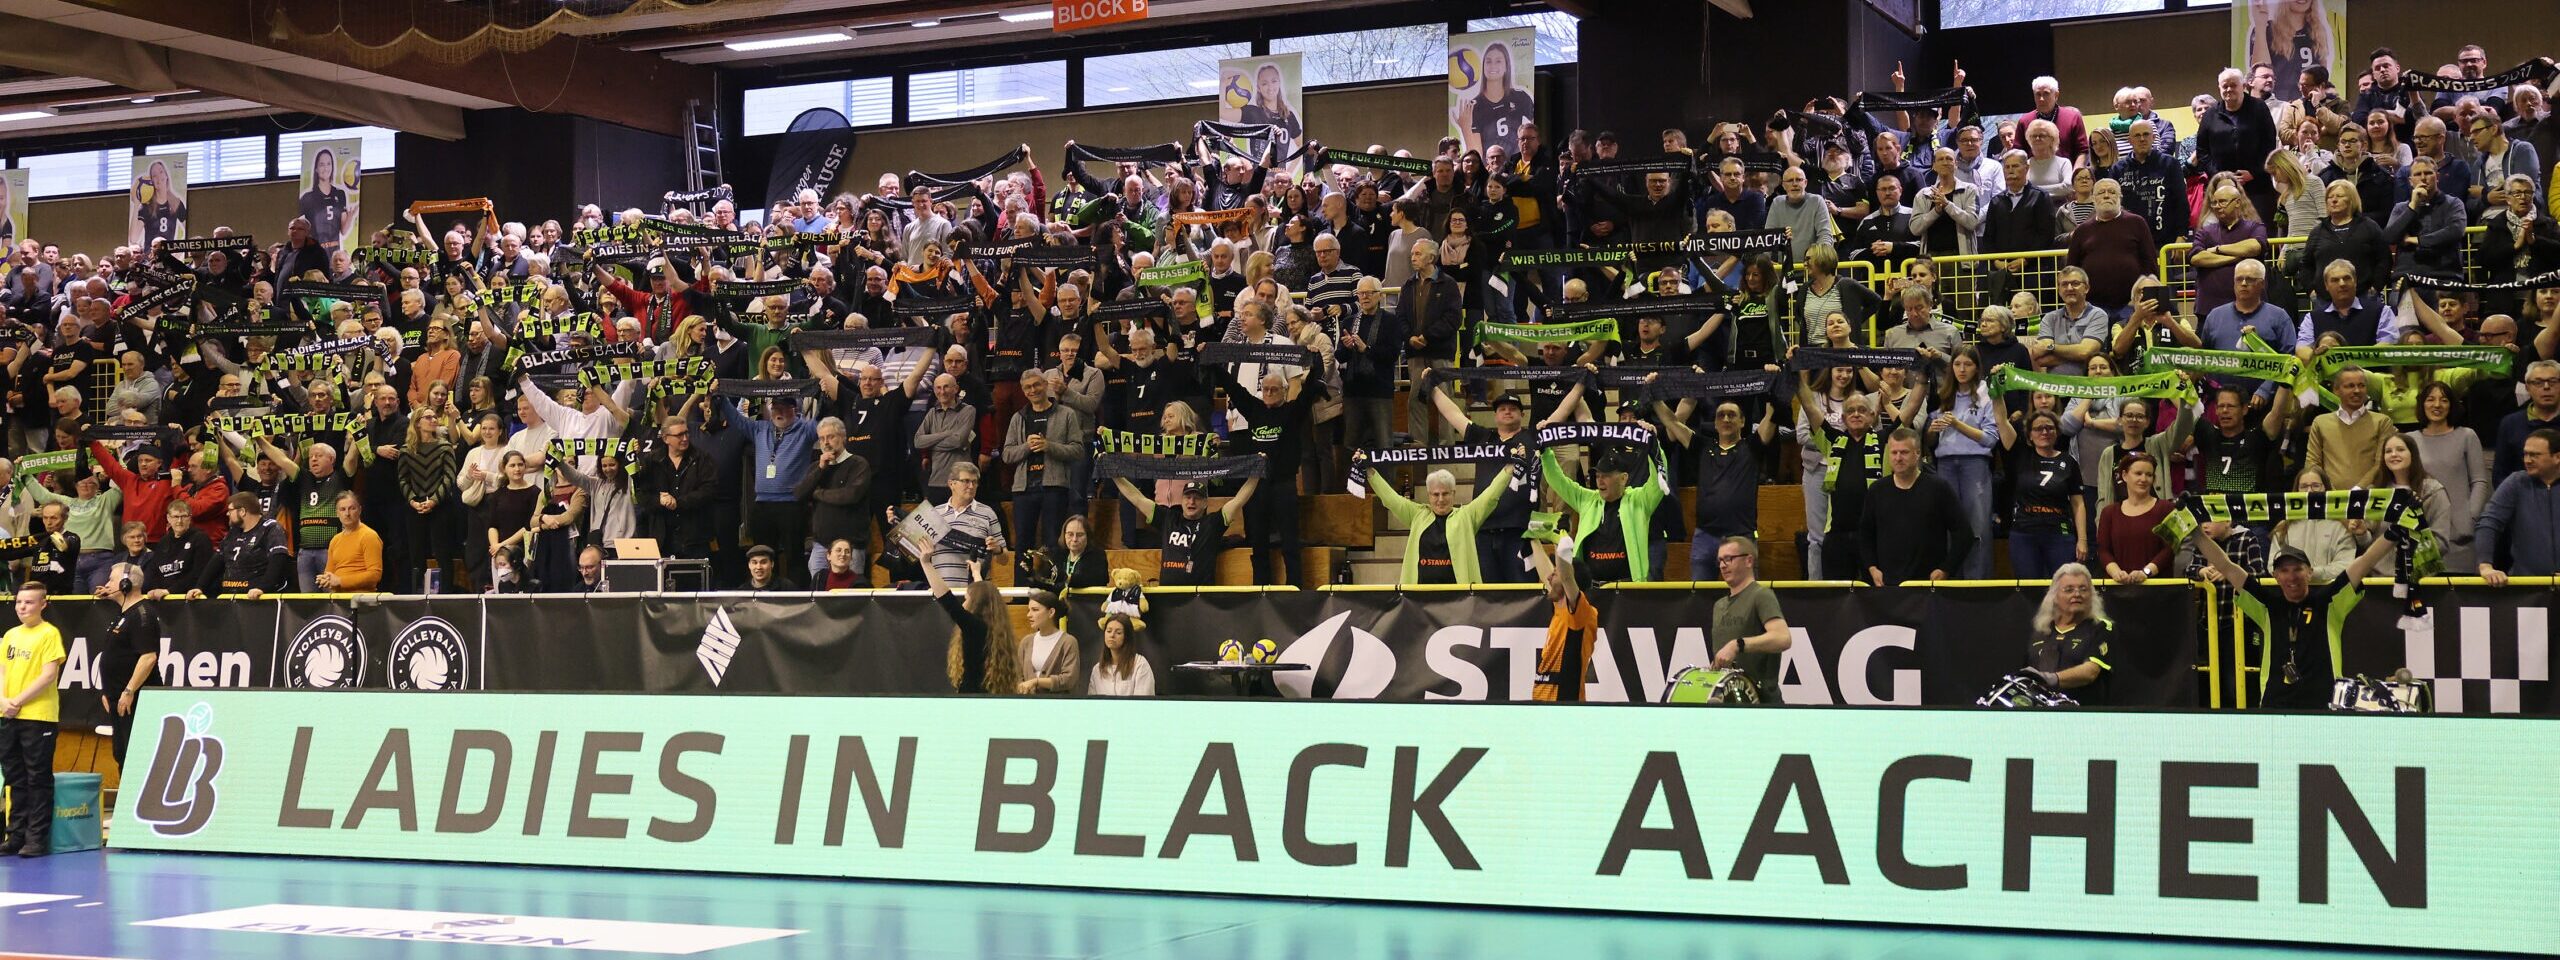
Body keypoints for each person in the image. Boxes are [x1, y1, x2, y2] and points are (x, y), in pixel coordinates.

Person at [2195, 528, 2396, 710]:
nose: (2291, 577)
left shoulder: (2328, 603)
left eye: (2297, 569)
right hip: (2276, 703)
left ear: (2309, 572)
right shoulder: (2267, 605)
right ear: (2275, 575)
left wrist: (2393, 532)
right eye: (2284, 570)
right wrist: (2193, 531)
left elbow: (2365, 561)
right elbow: (2226, 566)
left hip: (2324, 702)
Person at [1361, 458, 1519, 586]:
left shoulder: (1467, 516)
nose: (1440, 499)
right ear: (1429, 495)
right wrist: (1370, 472)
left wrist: (1509, 469)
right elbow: (1391, 499)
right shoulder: (1417, 515)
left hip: (1459, 599)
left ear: (1454, 493)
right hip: (1419, 599)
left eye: (1445, 494)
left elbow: (1490, 496)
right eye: (1435, 495)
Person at [1858, 428, 1974, 586]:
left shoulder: (1939, 488)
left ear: (1917, 453)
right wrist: (1872, 568)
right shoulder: (1877, 490)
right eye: (1894, 453)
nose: (1898, 458)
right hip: (1887, 587)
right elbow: (1865, 534)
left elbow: (1964, 533)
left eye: (1904, 452)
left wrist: (1946, 569)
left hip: (1928, 587)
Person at [1541, 444, 1669, 585]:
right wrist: (1545, 453)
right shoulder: (1587, 500)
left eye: (1606, 476)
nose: (1600, 481)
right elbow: (1558, 481)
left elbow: (1658, 481)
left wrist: (1654, 447)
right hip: (1592, 588)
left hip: (1627, 588)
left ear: (1623, 478)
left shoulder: (1640, 500)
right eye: (1597, 476)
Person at [0, 582, 63, 858]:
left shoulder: (49, 634)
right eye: (19, 602)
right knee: (15, 777)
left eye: (29, 602)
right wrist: (4, 701)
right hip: (9, 714)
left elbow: (48, 674)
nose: (22, 607)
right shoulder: (11, 635)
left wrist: (19, 700)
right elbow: (3, 671)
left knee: (37, 777)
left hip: (38, 716)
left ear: (43, 604)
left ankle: (36, 838)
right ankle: (15, 835)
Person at [1112, 471, 1260, 587]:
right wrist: (1114, 475)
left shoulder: (1213, 523)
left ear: (1205, 503)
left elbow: (1239, 500)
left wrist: (1255, 474)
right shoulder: (1168, 519)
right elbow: (1137, 498)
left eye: (1197, 498)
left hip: (1200, 598)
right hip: (1169, 597)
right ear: (1181, 500)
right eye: (1187, 497)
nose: (1192, 501)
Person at [1707, 536, 1791, 704]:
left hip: (1761, 701)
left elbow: (1783, 638)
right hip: (1731, 699)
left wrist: (1737, 645)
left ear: (1749, 561)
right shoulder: (1719, 605)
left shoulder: (1761, 595)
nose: (1723, 565)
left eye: (1729, 559)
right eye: (1720, 560)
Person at [923, 556, 1020, 695]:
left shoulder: (975, 628)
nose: (963, 603)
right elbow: (985, 595)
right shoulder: (992, 628)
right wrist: (976, 573)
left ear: (976, 603)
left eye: (966, 599)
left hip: (972, 699)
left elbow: (948, 601)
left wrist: (926, 563)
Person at [95, 562, 159, 769]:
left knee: (136, 757)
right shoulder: (124, 614)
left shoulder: (143, 614)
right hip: (118, 699)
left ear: (125, 583)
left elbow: (148, 657)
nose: (107, 584)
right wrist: (108, 692)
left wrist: (129, 691)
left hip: (134, 700)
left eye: (111, 580)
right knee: (121, 753)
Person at [2022, 564, 2113, 705]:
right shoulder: (2040, 631)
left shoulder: (2100, 627)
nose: (2077, 594)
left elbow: (2090, 672)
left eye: (2083, 589)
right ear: (2054, 596)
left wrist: (2051, 679)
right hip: (2039, 715)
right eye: (2069, 590)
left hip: (2083, 714)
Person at [2477, 429, 2560, 583]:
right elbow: (2489, 522)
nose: (2527, 460)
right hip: (2526, 588)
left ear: (2557, 457)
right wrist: (2485, 565)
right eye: (2526, 454)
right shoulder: (2516, 482)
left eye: (2535, 455)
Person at [1527, 540, 1596, 703]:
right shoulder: (1559, 609)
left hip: (1565, 707)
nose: (1549, 577)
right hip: (1541, 705)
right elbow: (1552, 574)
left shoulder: (1581, 613)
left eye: (1555, 573)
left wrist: (1560, 543)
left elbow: (1566, 576)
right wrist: (1533, 539)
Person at [1456, 38, 1533, 158]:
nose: (1493, 66)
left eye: (1498, 61)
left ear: (1506, 66)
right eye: (1488, 61)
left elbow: (1535, 135)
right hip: (1489, 170)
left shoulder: (1520, 97)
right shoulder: (1474, 106)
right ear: (1483, 66)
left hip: (1515, 168)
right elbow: (1477, 156)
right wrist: (1466, 128)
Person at [215, 492, 291, 599]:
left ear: (242, 511)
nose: (227, 514)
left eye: (230, 510)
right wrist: (200, 587)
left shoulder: (270, 528)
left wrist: (262, 588)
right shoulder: (234, 532)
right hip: (231, 597)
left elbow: (278, 559)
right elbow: (217, 559)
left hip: (258, 599)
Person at [1014, 589, 1079, 695]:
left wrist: (1036, 682)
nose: (1029, 615)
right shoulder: (1026, 642)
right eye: (1028, 610)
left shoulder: (1068, 642)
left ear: (1051, 612)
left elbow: (1069, 679)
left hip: (1057, 706)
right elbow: (1017, 676)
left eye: (1035, 610)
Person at [315, 492, 381, 592]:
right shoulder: (335, 540)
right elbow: (329, 572)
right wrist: (326, 579)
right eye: (342, 509)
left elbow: (374, 575)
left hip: (361, 599)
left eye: (352, 508)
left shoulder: (369, 536)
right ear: (337, 513)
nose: (347, 514)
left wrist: (340, 581)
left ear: (359, 510)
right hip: (338, 599)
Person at [1086, 613, 1156, 697]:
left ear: (1127, 637)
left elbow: (1143, 704)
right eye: (1108, 631)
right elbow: (1092, 703)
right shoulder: (1097, 669)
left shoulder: (1140, 665)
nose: (1112, 635)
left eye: (1118, 633)